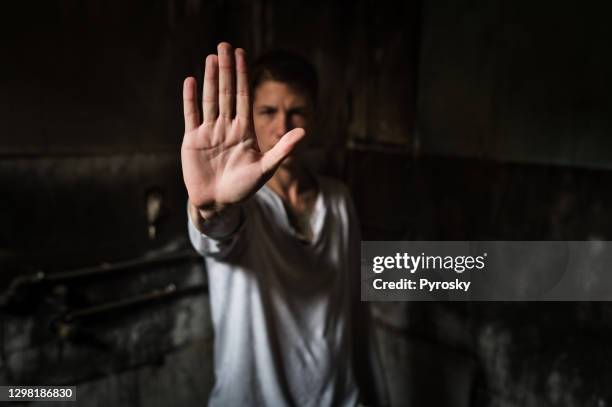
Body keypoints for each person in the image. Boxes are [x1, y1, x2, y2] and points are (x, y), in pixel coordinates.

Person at [181, 42, 387, 406]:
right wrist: (212, 207)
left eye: (296, 112)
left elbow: (356, 310)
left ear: (314, 117)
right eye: (267, 111)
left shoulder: (337, 200)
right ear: (248, 115)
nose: (282, 126)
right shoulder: (244, 206)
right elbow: (216, 237)